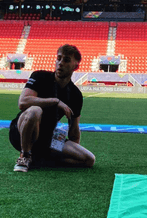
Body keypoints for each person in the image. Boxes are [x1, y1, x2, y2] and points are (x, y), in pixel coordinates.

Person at [9, 44, 96, 172]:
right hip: (21, 132)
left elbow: (74, 129)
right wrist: (55, 101)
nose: (60, 63)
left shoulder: (75, 94)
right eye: (58, 58)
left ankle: (41, 159)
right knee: (35, 110)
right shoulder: (40, 76)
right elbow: (23, 102)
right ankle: (25, 156)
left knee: (88, 159)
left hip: (48, 138)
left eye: (66, 60)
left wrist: (73, 149)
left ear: (75, 66)